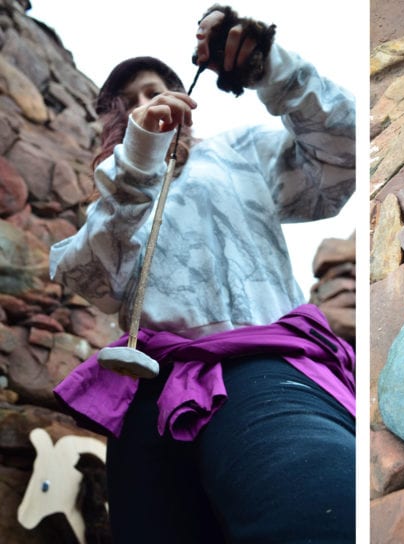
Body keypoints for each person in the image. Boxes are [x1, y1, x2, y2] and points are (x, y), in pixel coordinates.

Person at [49, 5, 355, 543]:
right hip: (147, 395)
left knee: (316, 509)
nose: (148, 103)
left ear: (185, 100)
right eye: (132, 100)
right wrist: (139, 160)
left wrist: (268, 67)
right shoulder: (113, 197)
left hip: (261, 364)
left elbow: (344, 153)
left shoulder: (239, 152)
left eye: (156, 90)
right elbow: (88, 278)